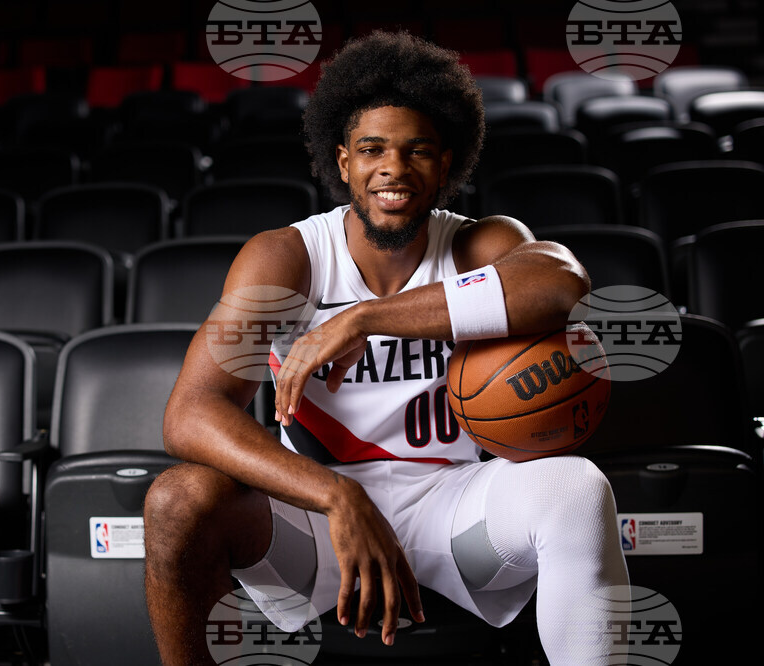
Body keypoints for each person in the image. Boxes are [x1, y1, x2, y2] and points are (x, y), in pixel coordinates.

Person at [144, 30, 629, 665]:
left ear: (446, 164)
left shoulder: (478, 245)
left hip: (455, 507)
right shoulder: (290, 258)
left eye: (417, 150)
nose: (393, 169)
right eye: (372, 149)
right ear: (343, 161)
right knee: (177, 501)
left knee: (577, 488)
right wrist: (334, 495)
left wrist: (366, 318)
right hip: (317, 521)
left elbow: (561, 283)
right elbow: (190, 413)